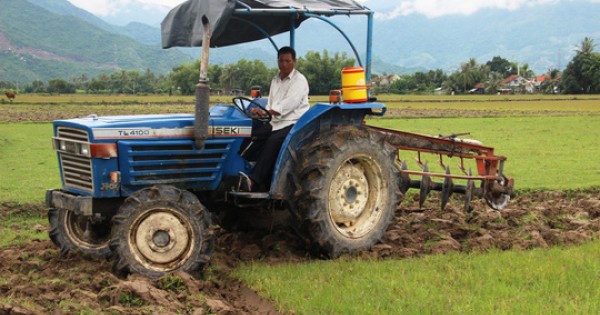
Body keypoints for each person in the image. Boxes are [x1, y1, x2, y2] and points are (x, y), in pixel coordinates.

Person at [239, 46, 310, 192]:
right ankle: (241, 167)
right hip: (275, 121)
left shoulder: (299, 80)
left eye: (287, 61)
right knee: (253, 135)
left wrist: (267, 112)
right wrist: (261, 112)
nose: (284, 64)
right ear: (277, 61)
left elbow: (289, 105)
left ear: (294, 62)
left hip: (294, 122)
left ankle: (254, 181)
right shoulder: (275, 80)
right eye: (281, 60)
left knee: (273, 141)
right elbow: (271, 103)